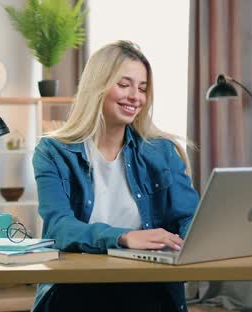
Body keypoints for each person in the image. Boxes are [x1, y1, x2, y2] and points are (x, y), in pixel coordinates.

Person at [32, 40, 200, 312]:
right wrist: (123, 237)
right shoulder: (53, 152)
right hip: (77, 288)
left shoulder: (162, 151)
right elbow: (59, 227)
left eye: (142, 88)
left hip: (146, 286)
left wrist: (200, 238)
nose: (136, 96)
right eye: (124, 85)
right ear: (96, 87)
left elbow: (189, 216)